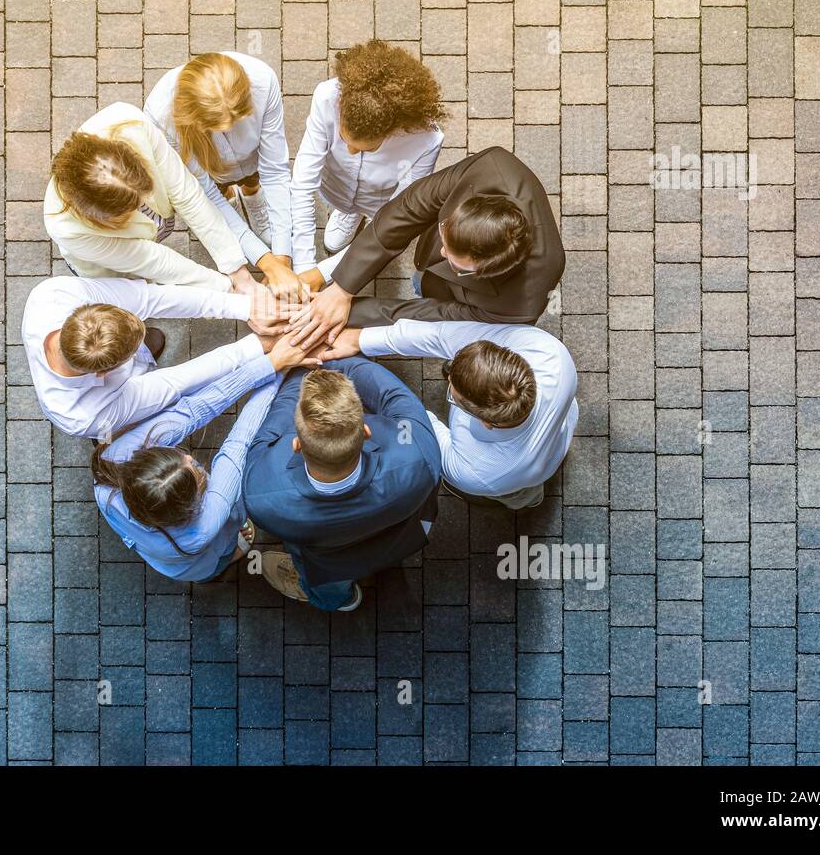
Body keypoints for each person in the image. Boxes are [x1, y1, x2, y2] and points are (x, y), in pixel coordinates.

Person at [91, 333, 319, 582]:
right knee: (222, 547)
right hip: (196, 559)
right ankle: (227, 556)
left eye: (179, 457)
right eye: (192, 467)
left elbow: (195, 409)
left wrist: (272, 362)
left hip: (161, 552)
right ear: (190, 505)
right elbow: (238, 443)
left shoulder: (112, 466)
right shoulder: (203, 527)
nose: (189, 457)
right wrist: (279, 374)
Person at [288, 146, 565, 349]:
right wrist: (341, 289)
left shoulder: (518, 305)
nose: (441, 254)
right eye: (445, 236)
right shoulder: (492, 168)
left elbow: (434, 317)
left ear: (485, 271)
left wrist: (344, 315)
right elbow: (408, 209)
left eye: (456, 264)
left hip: (463, 306)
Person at [241, 358, 442, 611]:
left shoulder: (261, 495)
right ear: (366, 431)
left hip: (328, 565)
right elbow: (392, 394)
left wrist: (302, 369)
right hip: (397, 539)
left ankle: (340, 601)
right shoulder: (418, 457)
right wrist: (335, 359)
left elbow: (271, 429)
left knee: (327, 590)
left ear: (297, 445)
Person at [319, 319, 577, 510]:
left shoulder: (472, 471)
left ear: (486, 422)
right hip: (557, 436)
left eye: (453, 395)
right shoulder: (551, 354)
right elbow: (438, 335)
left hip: (505, 478)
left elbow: (424, 427)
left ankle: (522, 498)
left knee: (514, 492)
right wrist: (359, 339)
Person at [21, 274, 286, 441]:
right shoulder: (83, 415)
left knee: (152, 336)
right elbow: (174, 383)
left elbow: (153, 298)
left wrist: (245, 307)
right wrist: (256, 346)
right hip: (107, 413)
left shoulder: (52, 295)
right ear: (103, 373)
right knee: (137, 426)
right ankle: (115, 434)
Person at [45, 103, 264, 294]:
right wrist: (226, 289)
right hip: (108, 265)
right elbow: (150, 259)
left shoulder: (130, 124)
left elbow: (187, 195)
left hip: (134, 245)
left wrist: (237, 271)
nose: (143, 206)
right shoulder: (67, 229)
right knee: (131, 292)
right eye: (130, 209)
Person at [143, 52, 305, 301]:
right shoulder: (160, 117)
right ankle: (233, 202)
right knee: (219, 192)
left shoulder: (263, 79)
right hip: (210, 175)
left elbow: (274, 170)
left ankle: (253, 197)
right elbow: (205, 194)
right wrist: (267, 262)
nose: (229, 129)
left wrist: (282, 256)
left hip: (252, 164)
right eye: (216, 128)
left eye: (237, 120)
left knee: (254, 177)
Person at [285, 39, 444, 280]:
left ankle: (366, 216)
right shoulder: (327, 98)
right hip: (337, 186)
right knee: (342, 203)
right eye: (343, 139)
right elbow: (303, 184)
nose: (348, 151)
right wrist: (304, 265)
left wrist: (321, 274)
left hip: (380, 199)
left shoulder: (426, 140)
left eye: (367, 149)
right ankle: (349, 211)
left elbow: (397, 215)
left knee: (380, 222)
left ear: (393, 131)